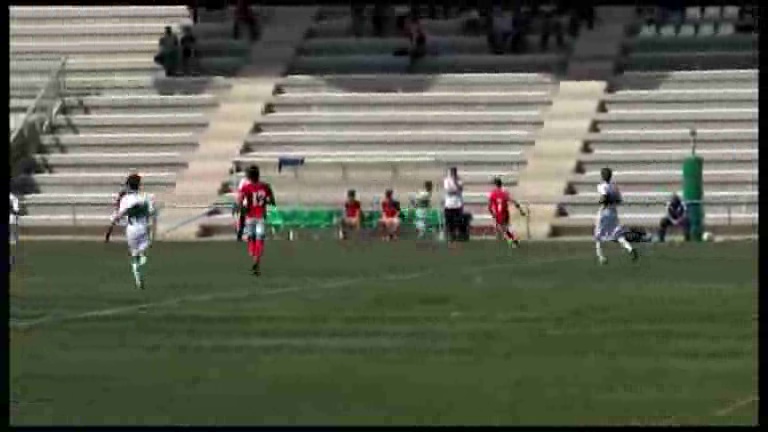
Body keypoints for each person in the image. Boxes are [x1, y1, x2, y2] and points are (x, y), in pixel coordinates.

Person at [105, 174, 158, 289]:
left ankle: (136, 268)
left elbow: (118, 215)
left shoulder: (125, 199)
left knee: (134, 252)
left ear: (128, 185)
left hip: (131, 229)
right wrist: (153, 227)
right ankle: (139, 259)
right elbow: (152, 213)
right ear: (139, 185)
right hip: (143, 227)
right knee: (144, 248)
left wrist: (109, 231)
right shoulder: (145, 197)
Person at [594, 167, 638, 265]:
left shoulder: (601, 186)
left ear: (602, 176)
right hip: (613, 213)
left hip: (604, 212)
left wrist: (601, 202)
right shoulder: (615, 187)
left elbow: (604, 197)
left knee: (598, 234)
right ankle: (630, 249)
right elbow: (619, 201)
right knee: (617, 234)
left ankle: (601, 256)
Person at [236, 165, 275, 276]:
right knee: (260, 239)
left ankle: (253, 255)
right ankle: (257, 260)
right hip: (261, 216)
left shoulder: (246, 188)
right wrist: (266, 202)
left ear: (249, 176)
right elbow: (272, 201)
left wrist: (240, 209)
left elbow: (240, 202)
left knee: (251, 238)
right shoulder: (266, 186)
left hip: (250, 217)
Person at [488, 177, 526, 247]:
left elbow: (489, 207)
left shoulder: (493, 194)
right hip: (505, 213)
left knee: (503, 229)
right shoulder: (504, 193)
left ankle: (514, 241)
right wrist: (521, 210)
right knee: (504, 229)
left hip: (499, 214)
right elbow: (514, 201)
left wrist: (493, 214)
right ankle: (513, 241)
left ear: (496, 184)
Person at [443, 167, 465, 242]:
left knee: (458, 222)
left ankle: (457, 236)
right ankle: (450, 237)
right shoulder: (446, 180)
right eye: (452, 173)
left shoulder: (459, 180)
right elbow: (448, 190)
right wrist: (456, 190)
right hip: (449, 204)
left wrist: (455, 184)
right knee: (449, 222)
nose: (453, 174)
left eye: (454, 173)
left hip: (458, 204)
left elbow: (461, 189)